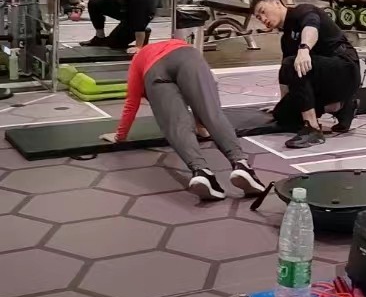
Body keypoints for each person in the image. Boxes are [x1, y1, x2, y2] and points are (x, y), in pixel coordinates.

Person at [112, 37, 265, 201]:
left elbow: (132, 102)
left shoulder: (138, 60)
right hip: (186, 56)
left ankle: (201, 172)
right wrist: (202, 123)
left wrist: (119, 136)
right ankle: (241, 164)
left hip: (154, 70)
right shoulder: (175, 42)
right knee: (212, 113)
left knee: (176, 125)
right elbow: (205, 94)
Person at [250, 0, 360, 150]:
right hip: (324, 79)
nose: (263, 18)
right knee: (283, 115)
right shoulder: (286, 39)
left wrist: (304, 48)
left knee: (293, 63)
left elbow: (311, 28)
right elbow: (285, 75)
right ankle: (342, 107)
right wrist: (284, 104)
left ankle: (313, 129)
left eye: (263, 11)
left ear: (277, 3)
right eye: (258, 17)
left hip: (345, 70)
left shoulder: (303, 11)